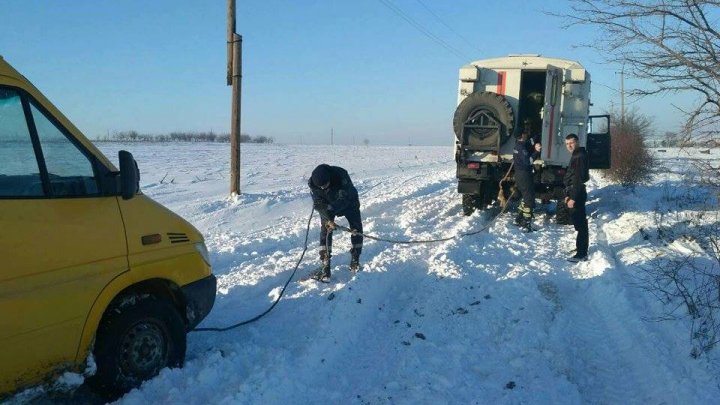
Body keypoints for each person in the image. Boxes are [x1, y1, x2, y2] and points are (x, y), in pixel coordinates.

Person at [308, 164, 363, 280]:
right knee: (325, 231)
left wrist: (331, 208)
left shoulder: (341, 175)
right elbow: (318, 202)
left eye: (325, 185)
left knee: (356, 229)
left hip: (350, 203)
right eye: (320, 187)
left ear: (330, 179)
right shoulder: (313, 184)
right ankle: (325, 265)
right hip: (328, 207)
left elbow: (344, 199)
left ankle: (355, 260)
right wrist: (327, 216)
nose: (322, 188)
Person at [563, 133, 590, 262]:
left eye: (572, 143)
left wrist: (572, 198)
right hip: (574, 192)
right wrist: (567, 195)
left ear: (577, 142)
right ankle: (581, 248)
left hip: (577, 193)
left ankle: (582, 254)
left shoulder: (579, 156)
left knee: (581, 225)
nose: (569, 146)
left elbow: (578, 179)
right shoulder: (577, 155)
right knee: (579, 224)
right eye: (567, 144)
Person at [512, 131, 542, 232]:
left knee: (526, 196)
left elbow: (529, 142)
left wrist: (538, 135)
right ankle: (526, 223)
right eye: (525, 134)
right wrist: (537, 151)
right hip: (524, 175)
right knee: (529, 200)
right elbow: (528, 162)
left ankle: (519, 218)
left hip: (519, 174)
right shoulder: (522, 148)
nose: (526, 135)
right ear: (522, 136)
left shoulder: (519, 145)